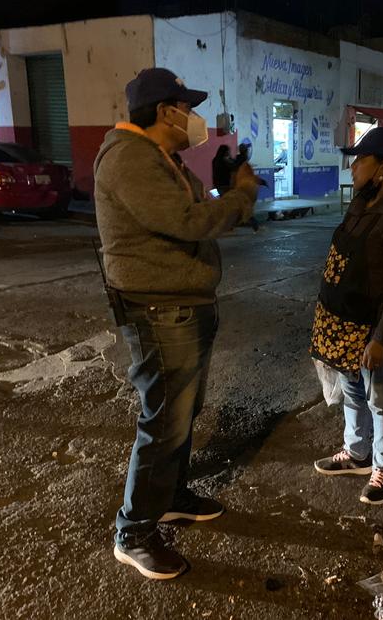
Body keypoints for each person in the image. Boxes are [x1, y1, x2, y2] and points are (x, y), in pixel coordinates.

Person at [94, 68, 261, 580]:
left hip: (182, 305)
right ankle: (134, 532)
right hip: (159, 310)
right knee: (163, 422)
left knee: (181, 415)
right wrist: (244, 195)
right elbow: (189, 221)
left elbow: (191, 208)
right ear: (166, 112)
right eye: (187, 108)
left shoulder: (161, 157)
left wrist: (222, 186)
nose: (193, 118)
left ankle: (169, 496)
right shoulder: (129, 158)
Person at [310, 127, 383, 505]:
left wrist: (381, 338)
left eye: (360, 160)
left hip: (376, 326)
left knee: (380, 396)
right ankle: (357, 452)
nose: (353, 167)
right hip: (345, 325)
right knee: (352, 390)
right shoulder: (364, 200)